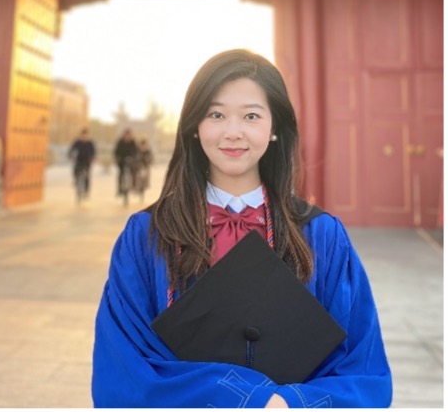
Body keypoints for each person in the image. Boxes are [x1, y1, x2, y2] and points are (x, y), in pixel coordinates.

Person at [92, 50, 392, 408]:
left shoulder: (321, 235)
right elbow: (123, 366)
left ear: (274, 127)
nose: (232, 132)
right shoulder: (146, 235)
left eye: (251, 116)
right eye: (216, 115)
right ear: (194, 126)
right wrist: (250, 399)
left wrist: (290, 402)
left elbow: (361, 366)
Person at [68, 127, 96, 201]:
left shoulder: (90, 143)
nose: (83, 136)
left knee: (86, 176)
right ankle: (76, 181)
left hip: (87, 161)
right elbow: (71, 149)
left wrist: (93, 157)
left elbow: (93, 152)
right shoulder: (77, 142)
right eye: (82, 135)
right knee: (75, 171)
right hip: (79, 160)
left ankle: (86, 191)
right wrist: (70, 155)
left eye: (85, 135)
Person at [113, 128, 138, 196]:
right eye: (126, 135)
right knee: (120, 174)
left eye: (128, 135)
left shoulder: (133, 142)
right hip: (122, 161)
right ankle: (120, 189)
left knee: (134, 172)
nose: (127, 136)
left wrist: (133, 157)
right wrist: (118, 158)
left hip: (130, 160)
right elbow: (116, 151)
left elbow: (135, 151)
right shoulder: (120, 142)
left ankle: (133, 186)